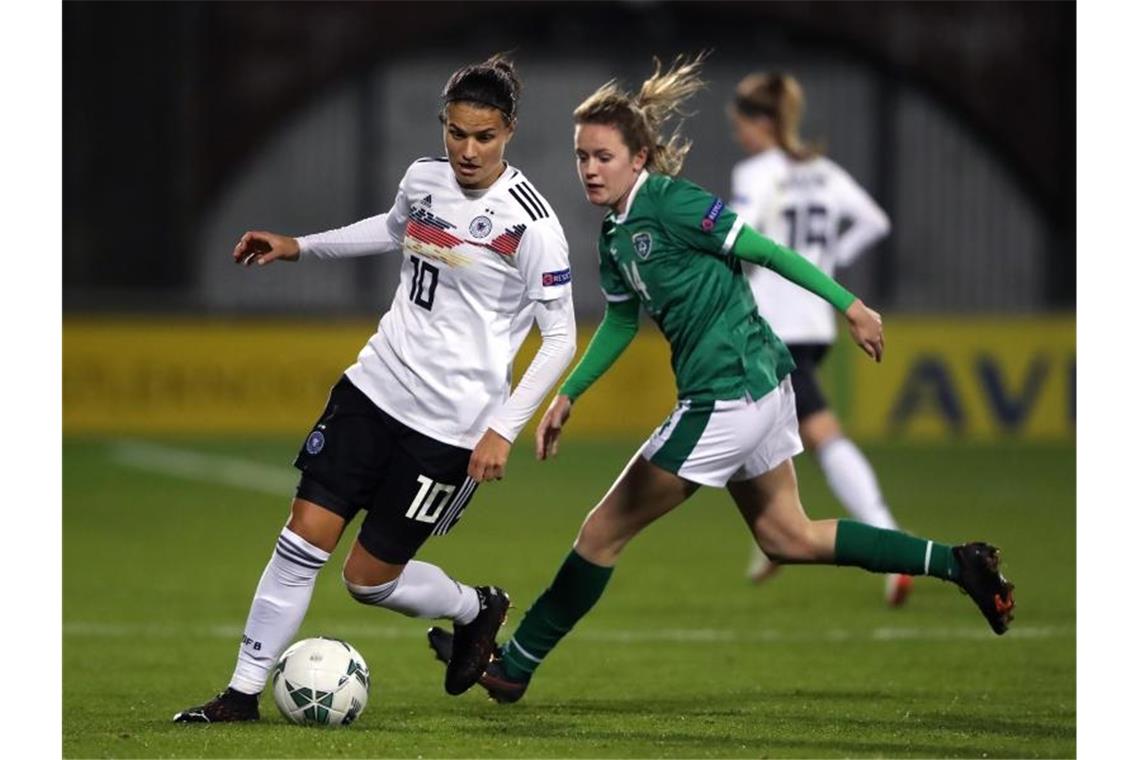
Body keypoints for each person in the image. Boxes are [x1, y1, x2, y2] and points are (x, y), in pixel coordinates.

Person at [425, 55, 1014, 704]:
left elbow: (766, 250)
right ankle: (959, 563)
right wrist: (570, 393)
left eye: (603, 156)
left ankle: (515, 664)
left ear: (639, 159)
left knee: (602, 531)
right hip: (756, 390)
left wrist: (851, 305)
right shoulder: (617, 236)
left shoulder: (675, 204)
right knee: (787, 536)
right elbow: (622, 324)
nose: (590, 169)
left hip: (728, 394)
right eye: (581, 156)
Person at [173, 54, 578, 722]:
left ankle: (477, 608)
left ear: (509, 131)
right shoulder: (423, 178)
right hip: (372, 389)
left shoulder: (531, 224)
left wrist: (503, 427)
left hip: (449, 429)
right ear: (443, 125)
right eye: (456, 132)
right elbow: (391, 232)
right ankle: (241, 694)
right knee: (302, 537)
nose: (467, 150)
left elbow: (559, 336)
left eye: (483, 136)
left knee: (368, 581)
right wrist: (297, 245)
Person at [727, 72, 910, 604]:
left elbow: (736, 235)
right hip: (816, 321)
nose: (740, 137)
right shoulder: (822, 171)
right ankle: (777, 536)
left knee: (821, 434)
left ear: (761, 122)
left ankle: (889, 541)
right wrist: (827, 261)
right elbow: (873, 221)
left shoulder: (759, 171)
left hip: (772, 326)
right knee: (770, 434)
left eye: (741, 126)